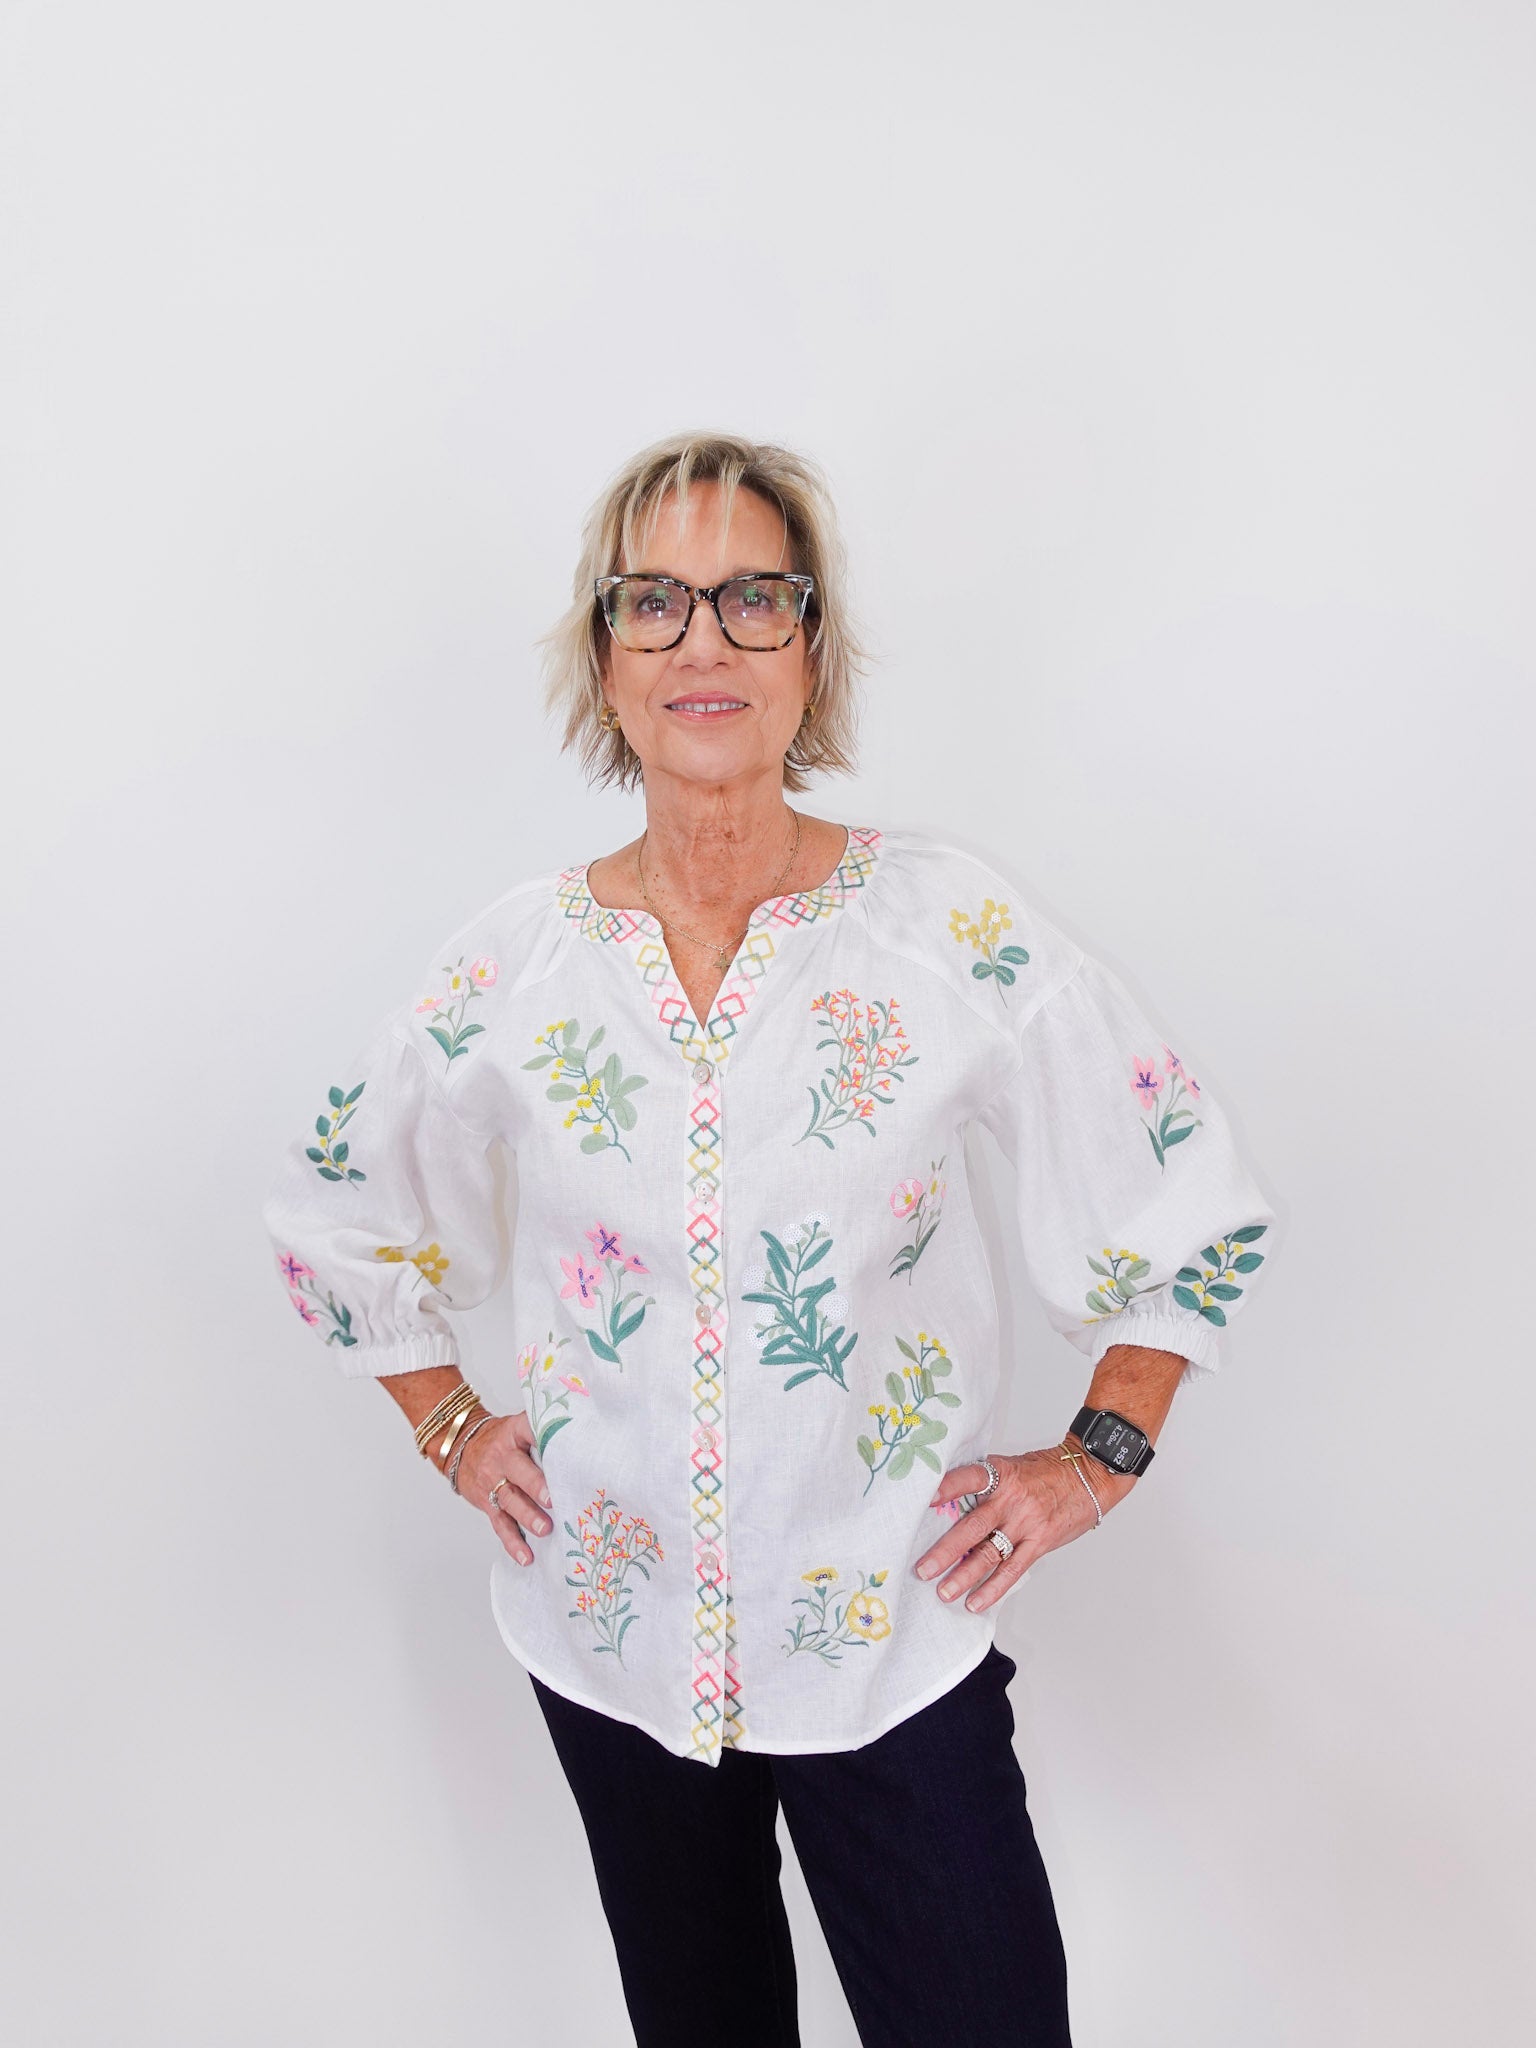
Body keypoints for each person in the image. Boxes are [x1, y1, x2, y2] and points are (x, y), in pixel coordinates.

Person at [261, 430, 1276, 2047]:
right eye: (654, 601)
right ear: (604, 661)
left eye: (755, 598)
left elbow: (1184, 1200)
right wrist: (450, 1425)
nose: (705, 642)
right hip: (613, 1637)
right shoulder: (514, 966)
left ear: (815, 651)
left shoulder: (948, 931)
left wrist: (1097, 1455)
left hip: (889, 1637)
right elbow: (340, 1207)